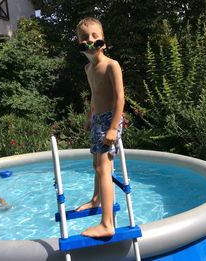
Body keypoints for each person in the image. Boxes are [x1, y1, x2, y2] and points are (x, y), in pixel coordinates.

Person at [75, 17, 125, 238]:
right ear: (79, 43)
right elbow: (95, 96)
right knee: (96, 164)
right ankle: (96, 199)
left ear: (103, 41)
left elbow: (120, 98)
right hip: (97, 119)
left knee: (104, 168)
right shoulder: (88, 68)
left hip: (110, 120)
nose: (90, 40)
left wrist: (113, 127)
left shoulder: (111, 65)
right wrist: (89, 117)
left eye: (95, 36)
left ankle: (107, 224)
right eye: (85, 37)